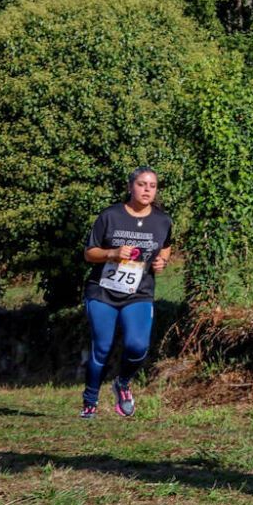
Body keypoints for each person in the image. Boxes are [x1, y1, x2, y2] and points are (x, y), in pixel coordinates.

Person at [80, 168, 173, 419]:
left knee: (137, 345)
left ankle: (122, 383)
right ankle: (90, 400)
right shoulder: (110, 216)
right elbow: (89, 253)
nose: (147, 190)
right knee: (102, 347)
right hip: (102, 291)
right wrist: (112, 253)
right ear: (130, 186)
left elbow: (165, 247)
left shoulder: (162, 220)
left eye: (152, 186)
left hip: (139, 293)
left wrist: (162, 262)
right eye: (142, 184)